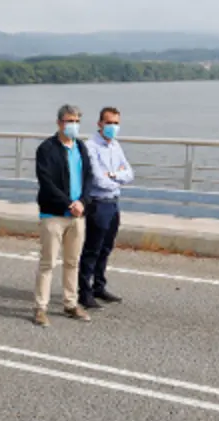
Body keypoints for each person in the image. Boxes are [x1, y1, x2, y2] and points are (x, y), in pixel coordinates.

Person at [33, 104, 94, 327]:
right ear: (59, 123)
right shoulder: (46, 149)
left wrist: (83, 202)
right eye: (69, 121)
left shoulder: (81, 147)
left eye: (77, 121)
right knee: (48, 262)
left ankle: (70, 303)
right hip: (53, 214)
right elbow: (46, 182)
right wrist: (69, 203)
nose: (73, 125)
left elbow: (89, 178)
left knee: (72, 262)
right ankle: (41, 307)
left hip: (78, 215)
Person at [79, 107, 134, 309]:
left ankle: (99, 286)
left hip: (113, 202)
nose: (113, 127)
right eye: (109, 122)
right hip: (97, 203)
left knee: (106, 248)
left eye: (116, 123)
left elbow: (130, 173)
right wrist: (116, 178)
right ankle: (84, 291)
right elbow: (98, 180)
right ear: (100, 124)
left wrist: (113, 175)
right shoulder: (90, 146)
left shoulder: (115, 146)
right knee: (92, 249)